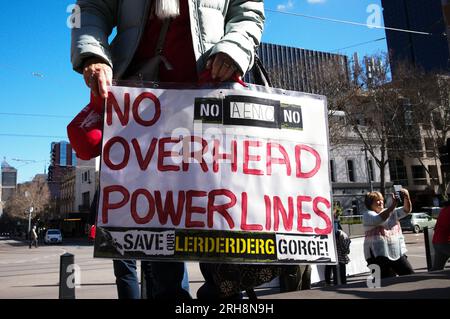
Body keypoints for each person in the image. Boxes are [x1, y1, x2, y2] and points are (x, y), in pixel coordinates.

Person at [71, 0, 265, 300]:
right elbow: (91, 7)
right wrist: (93, 55)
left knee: (224, 253)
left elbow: (247, 11)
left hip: (210, 112)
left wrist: (235, 48)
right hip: (144, 118)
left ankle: (220, 294)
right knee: (160, 259)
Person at [363, 190, 415, 278]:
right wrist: (393, 205)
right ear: (370, 204)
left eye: (381, 199)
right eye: (377, 200)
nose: (381, 202)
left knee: (410, 275)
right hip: (377, 256)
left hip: (396, 252)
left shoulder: (390, 212)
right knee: (382, 282)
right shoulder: (367, 214)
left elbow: (406, 210)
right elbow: (378, 219)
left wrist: (407, 197)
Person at [431, 203, 450, 270]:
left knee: (437, 268)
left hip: (437, 241)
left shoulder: (444, 209)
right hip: (445, 242)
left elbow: (436, 227)